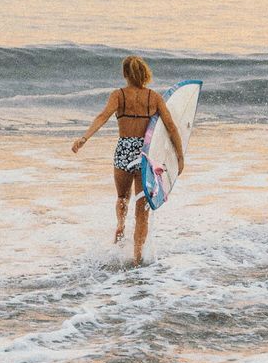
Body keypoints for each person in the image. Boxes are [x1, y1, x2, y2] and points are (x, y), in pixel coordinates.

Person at [71, 55, 184, 265]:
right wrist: (179, 156)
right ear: (145, 74)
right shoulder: (154, 97)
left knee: (122, 197)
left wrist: (84, 138)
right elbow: (171, 127)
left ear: (125, 74)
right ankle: (137, 257)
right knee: (142, 209)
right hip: (144, 156)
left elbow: (102, 116)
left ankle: (121, 224)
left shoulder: (119, 95)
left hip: (123, 151)